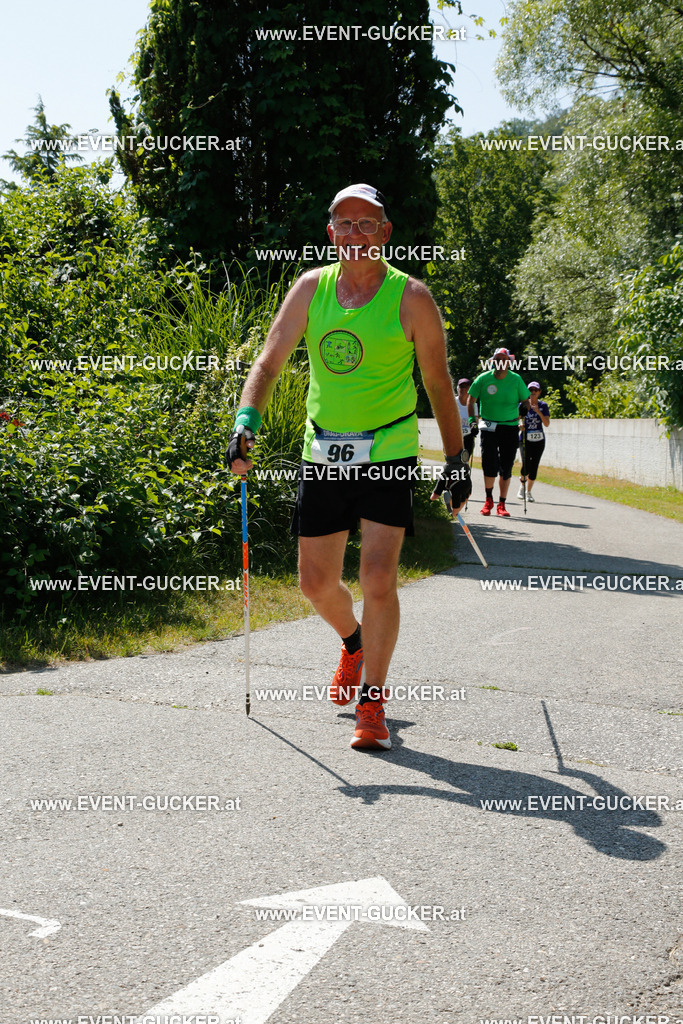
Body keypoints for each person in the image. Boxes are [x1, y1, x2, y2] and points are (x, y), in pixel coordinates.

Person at [226, 183, 471, 751]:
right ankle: (353, 644)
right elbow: (269, 359)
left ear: (385, 233)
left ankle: (373, 703)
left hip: (387, 452)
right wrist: (245, 424)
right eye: (345, 223)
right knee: (314, 584)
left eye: (367, 224)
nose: (355, 234)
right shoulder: (311, 289)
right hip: (324, 452)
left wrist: (457, 461)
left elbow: (437, 385)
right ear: (330, 233)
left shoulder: (412, 299)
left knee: (378, 576)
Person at [467, 347, 530, 517]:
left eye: (504, 359)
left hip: (509, 426)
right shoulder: (483, 378)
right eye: (498, 359)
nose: (501, 362)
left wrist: (524, 409)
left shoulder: (516, 380)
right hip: (488, 425)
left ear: (509, 362)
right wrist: (473, 421)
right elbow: (471, 400)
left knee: (506, 465)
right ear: (493, 361)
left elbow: (526, 400)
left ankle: (502, 504)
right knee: (489, 463)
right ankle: (488, 500)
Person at [518, 381, 550, 502]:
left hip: (539, 440)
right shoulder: (522, 405)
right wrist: (519, 425)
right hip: (525, 439)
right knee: (526, 464)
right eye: (530, 390)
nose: (533, 392)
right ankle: (522, 486)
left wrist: (538, 412)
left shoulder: (543, 406)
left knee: (534, 466)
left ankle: (528, 492)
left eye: (535, 390)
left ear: (539, 392)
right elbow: (517, 418)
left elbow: (546, 424)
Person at [456, 378, 478, 462]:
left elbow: (475, 422)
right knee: (454, 461)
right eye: (461, 387)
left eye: (466, 387)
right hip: (455, 437)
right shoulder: (453, 402)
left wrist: (475, 428)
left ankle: (464, 473)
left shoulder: (474, 405)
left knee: (464, 461)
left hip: (468, 437)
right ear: (458, 388)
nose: (463, 389)